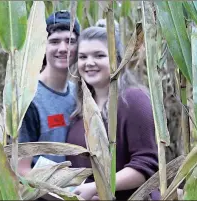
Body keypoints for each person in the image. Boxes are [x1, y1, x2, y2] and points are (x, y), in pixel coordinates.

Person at [66, 25, 159, 200]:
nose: (89, 62)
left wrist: (95, 188)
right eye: (83, 57)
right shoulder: (80, 108)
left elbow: (145, 166)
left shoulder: (134, 100)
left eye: (99, 55)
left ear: (116, 58)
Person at [18, 10, 80, 176]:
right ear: (42, 46)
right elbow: (22, 169)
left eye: (70, 41)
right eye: (54, 41)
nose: (62, 48)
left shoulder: (79, 94)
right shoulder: (30, 98)